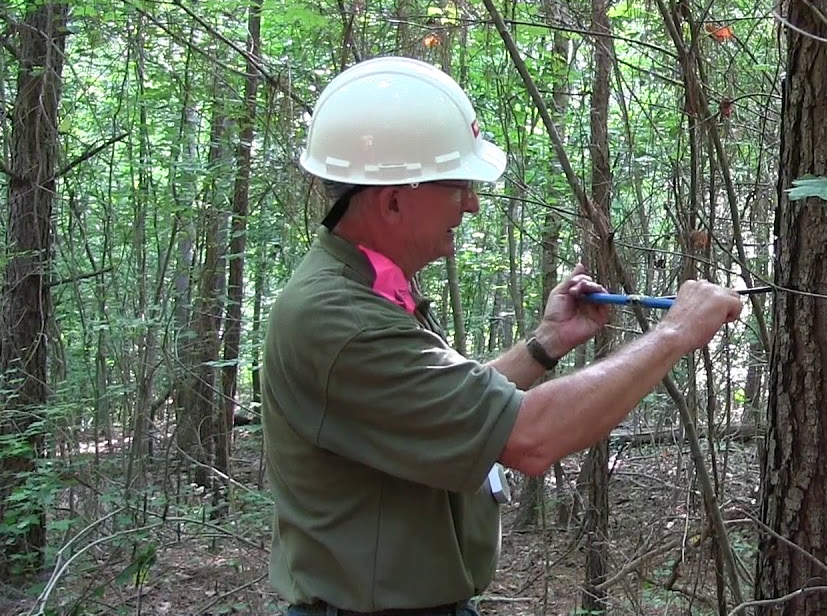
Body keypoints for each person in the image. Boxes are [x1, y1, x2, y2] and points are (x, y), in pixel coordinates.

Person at [262, 56, 744, 616]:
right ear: (393, 198)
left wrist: (547, 342)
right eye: (458, 186)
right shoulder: (339, 319)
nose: (470, 203)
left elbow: (448, 409)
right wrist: (675, 333)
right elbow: (529, 439)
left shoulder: (369, 290)